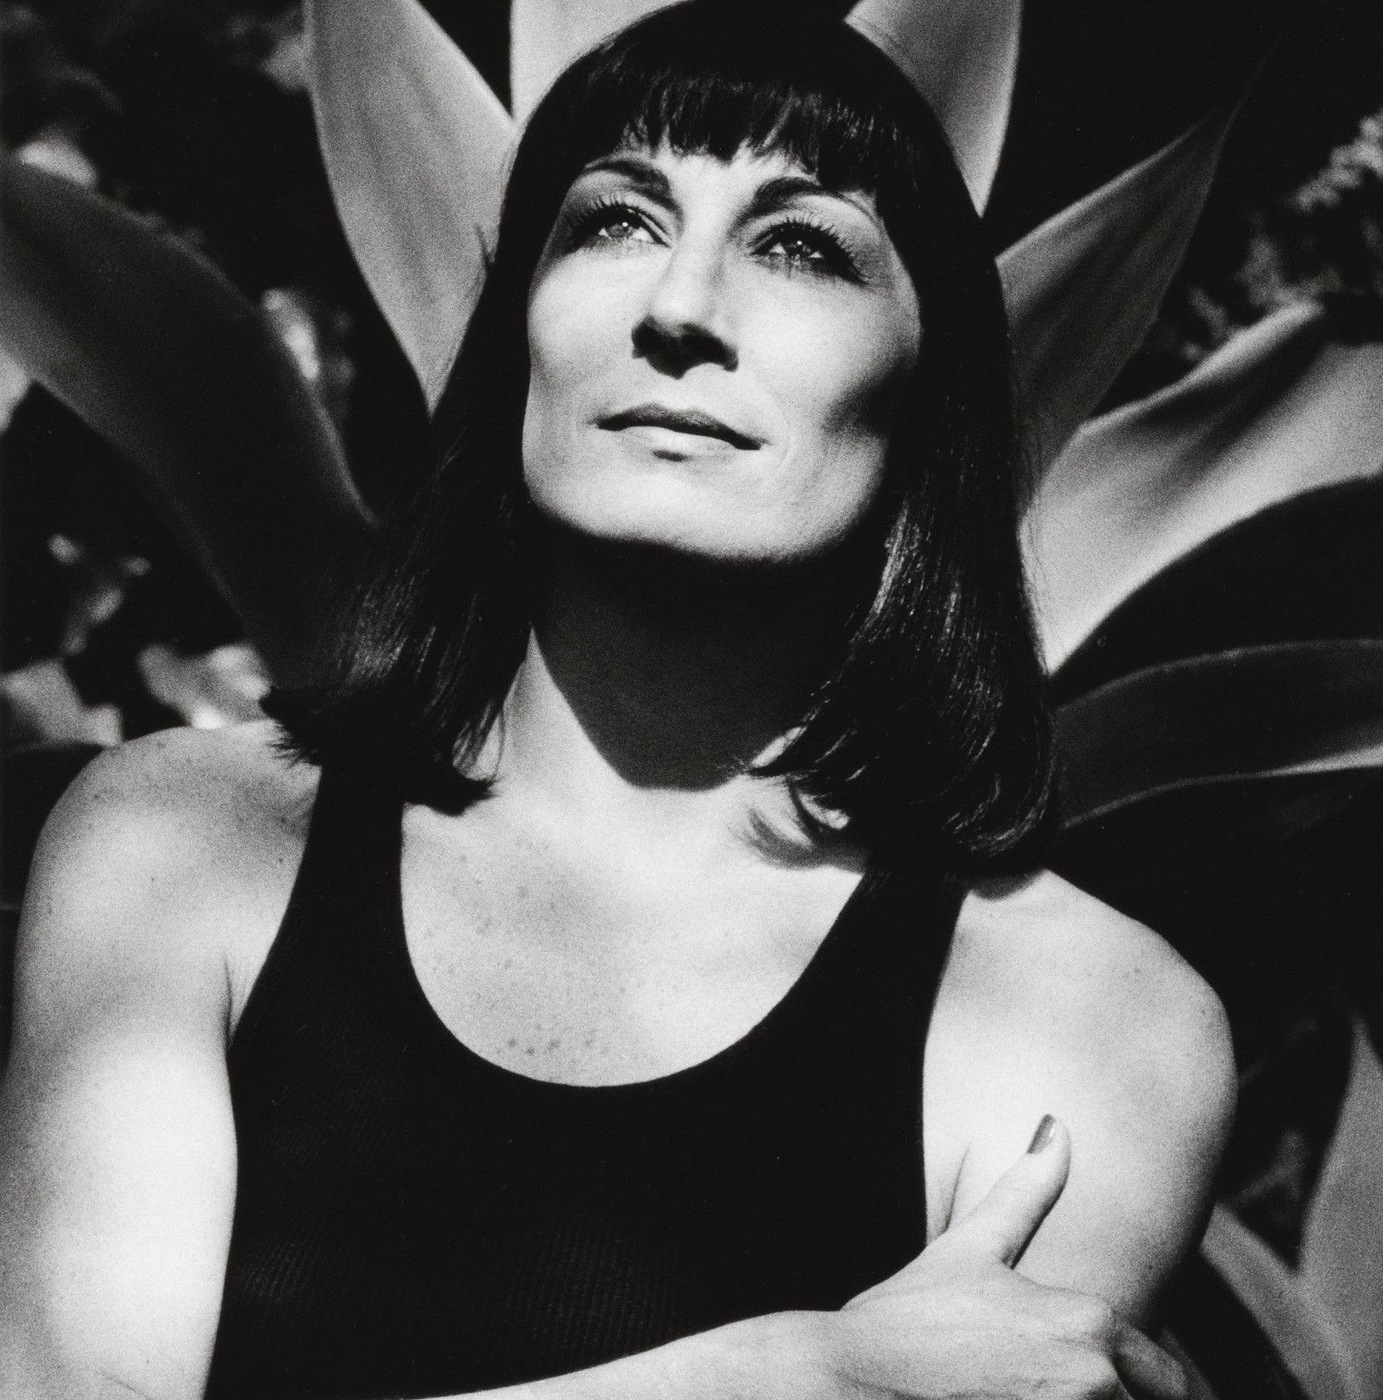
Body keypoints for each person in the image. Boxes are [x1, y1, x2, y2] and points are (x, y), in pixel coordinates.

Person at [0, 7, 1234, 1398]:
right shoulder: (185, 846)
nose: (679, 307)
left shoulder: (1087, 1019)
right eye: (615, 222)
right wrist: (795, 1376)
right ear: (517, 338)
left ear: (927, 397)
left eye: (801, 246)